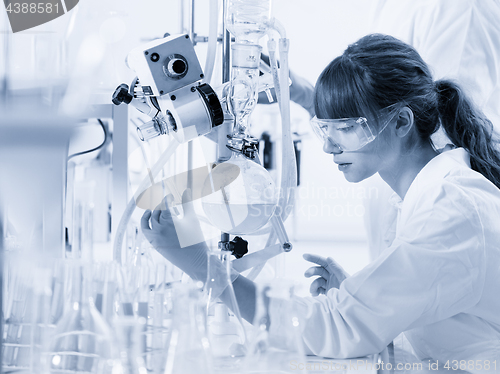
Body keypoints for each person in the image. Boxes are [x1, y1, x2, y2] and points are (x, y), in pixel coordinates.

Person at [141, 34, 500, 369]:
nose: (329, 146)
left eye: (345, 127)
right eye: (325, 129)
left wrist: (201, 264)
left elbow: (337, 327)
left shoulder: (451, 210)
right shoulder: (436, 194)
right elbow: (436, 310)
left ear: (401, 122)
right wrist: (361, 294)